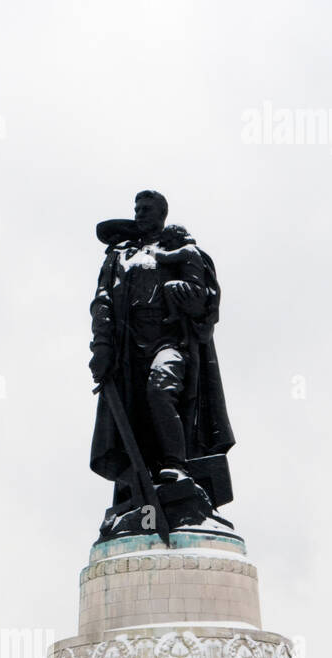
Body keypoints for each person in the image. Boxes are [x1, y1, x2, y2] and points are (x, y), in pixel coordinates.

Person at [89, 189, 234, 499]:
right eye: (137, 208)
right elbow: (102, 302)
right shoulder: (119, 257)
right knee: (134, 413)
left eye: (147, 209)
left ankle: (176, 466)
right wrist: (102, 345)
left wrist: (189, 299)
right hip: (129, 348)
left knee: (159, 390)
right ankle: (140, 484)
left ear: (161, 215)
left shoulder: (178, 250)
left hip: (170, 339)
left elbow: (205, 302)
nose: (140, 213)